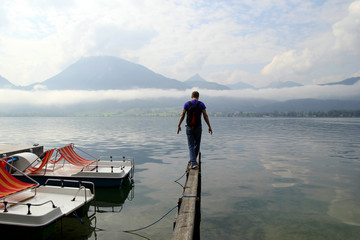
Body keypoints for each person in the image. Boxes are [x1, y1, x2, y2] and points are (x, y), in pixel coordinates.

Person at [177, 91, 213, 169]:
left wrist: (179, 125)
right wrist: (209, 126)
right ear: (198, 97)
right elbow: (205, 116)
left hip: (189, 127)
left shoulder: (187, 104)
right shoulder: (201, 104)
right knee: (197, 144)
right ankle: (193, 161)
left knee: (191, 145)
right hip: (198, 128)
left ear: (191, 96)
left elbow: (182, 115)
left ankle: (193, 162)